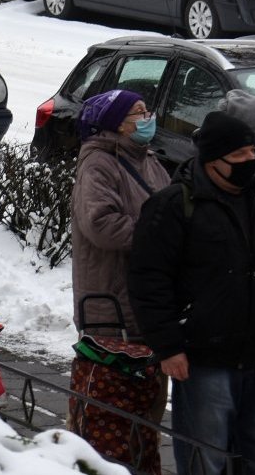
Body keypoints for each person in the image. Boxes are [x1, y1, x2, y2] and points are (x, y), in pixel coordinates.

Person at [127, 111, 255, 475]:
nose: (250, 161)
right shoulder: (173, 205)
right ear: (212, 161)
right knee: (207, 456)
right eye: (238, 156)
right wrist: (169, 346)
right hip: (203, 359)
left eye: (252, 152)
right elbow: (147, 280)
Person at [66, 88, 172, 471]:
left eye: (147, 110)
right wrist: (160, 236)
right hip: (112, 305)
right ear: (115, 123)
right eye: (138, 113)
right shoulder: (99, 164)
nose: (147, 119)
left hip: (146, 303)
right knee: (110, 417)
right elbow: (102, 225)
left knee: (146, 411)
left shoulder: (148, 160)